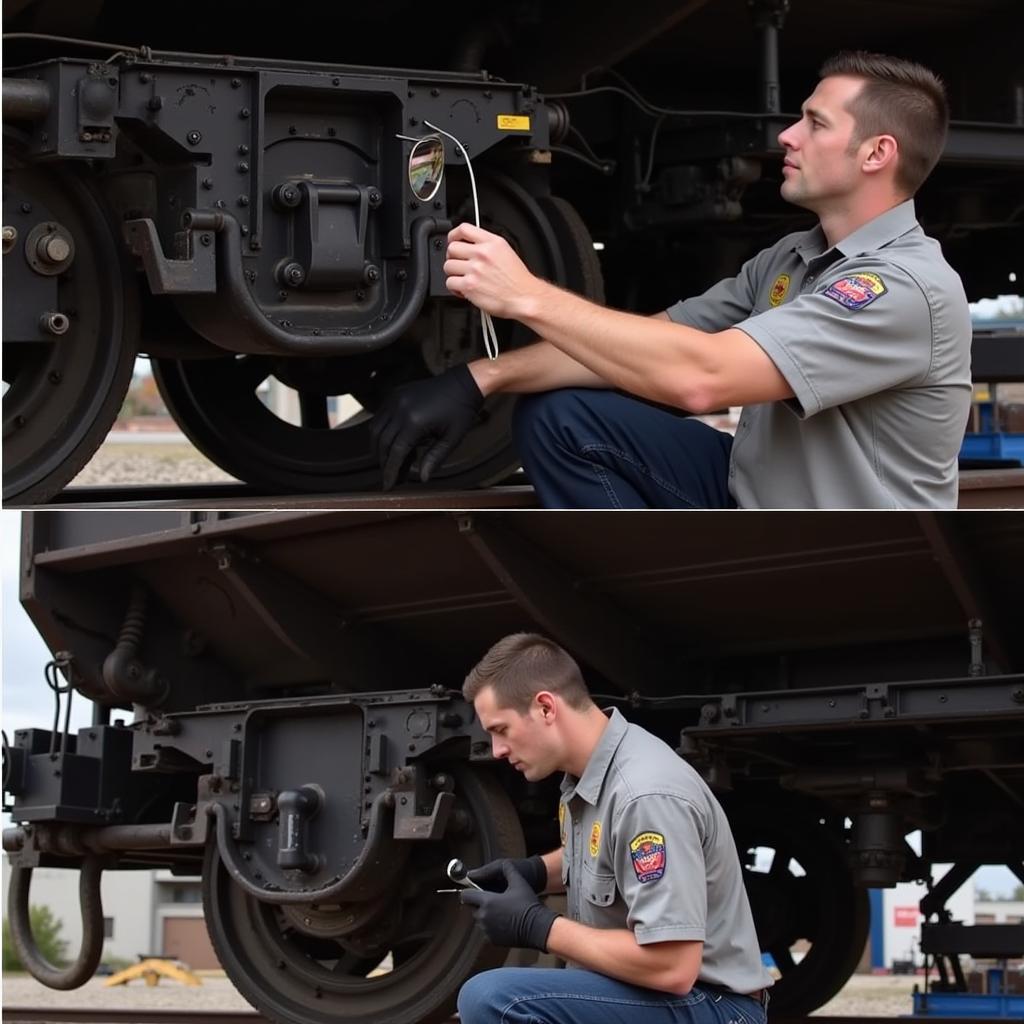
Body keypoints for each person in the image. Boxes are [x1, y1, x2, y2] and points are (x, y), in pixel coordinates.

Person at [369, 51, 971, 509]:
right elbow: (654, 339)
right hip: (748, 492)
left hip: (837, 545)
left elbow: (699, 380)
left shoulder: (900, 289)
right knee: (559, 416)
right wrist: (478, 379)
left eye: (815, 123)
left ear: (875, 154)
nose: (787, 135)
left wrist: (525, 294)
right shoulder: (791, 257)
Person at [454, 633, 772, 1024]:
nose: (497, 749)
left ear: (545, 708)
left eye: (500, 729)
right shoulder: (589, 773)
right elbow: (606, 852)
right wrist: (535, 872)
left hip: (712, 1006)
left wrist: (535, 925)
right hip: (676, 1000)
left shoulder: (645, 794)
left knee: (491, 999)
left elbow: (672, 966)